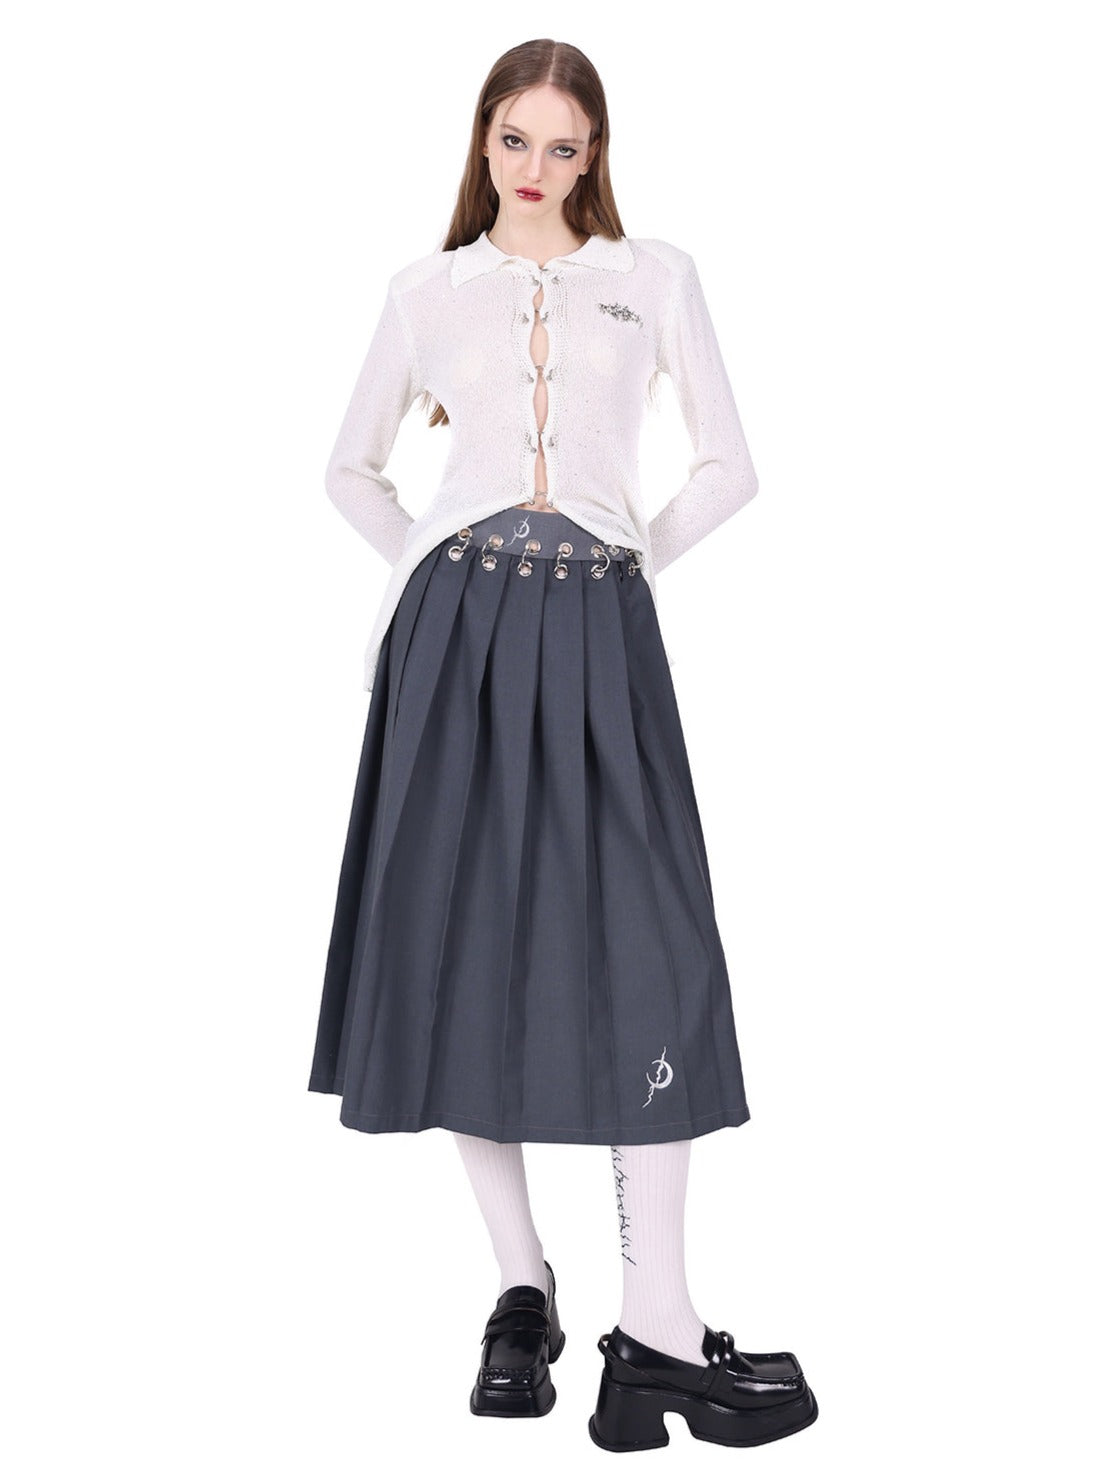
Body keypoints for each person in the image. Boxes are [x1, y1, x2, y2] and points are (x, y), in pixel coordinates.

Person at [307, 36, 817, 1452]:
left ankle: (656, 1323)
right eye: (515, 139)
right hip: (454, 644)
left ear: (595, 156)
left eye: (564, 146)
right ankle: (521, 1288)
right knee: (468, 950)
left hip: (602, 628)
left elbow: (731, 467)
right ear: (483, 140)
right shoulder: (426, 293)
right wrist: (435, 570)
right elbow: (348, 469)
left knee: (654, 950)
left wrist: (623, 559)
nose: (535, 168)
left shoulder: (653, 278)